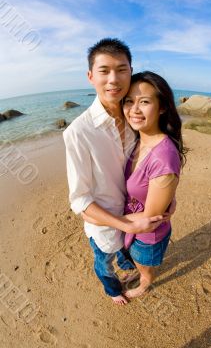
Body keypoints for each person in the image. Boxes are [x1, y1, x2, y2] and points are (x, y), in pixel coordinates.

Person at [63, 39, 169, 305]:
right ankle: (112, 291)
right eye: (104, 70)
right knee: (104, 263)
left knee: (126, 255)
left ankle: (128, 261)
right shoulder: (79, 132)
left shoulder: (134, 117)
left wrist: (168, 193)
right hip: (108, 227)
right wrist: (127, 223)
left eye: (121, 70)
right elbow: (80, 202)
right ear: (90, 76)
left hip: (136, 216)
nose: (114, 79)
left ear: (130, 72)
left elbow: (150, 160)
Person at [121, 71, 186, 298]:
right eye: (129, 101)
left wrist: (102, 217)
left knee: (144, 264)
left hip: (147, 236)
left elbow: (149, 222)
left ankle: (145, 283)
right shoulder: (137, 138)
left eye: (145, 102)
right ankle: (139, 273)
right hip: (131, 223)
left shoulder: (164, 156)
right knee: (136, 262)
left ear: (162, 107)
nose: (134, 109)